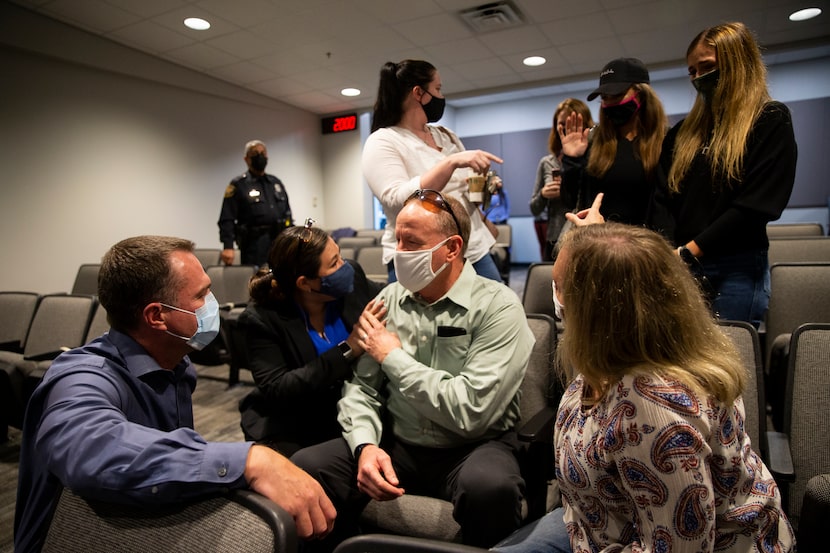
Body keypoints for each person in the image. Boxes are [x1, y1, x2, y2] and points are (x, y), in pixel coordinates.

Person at [14, 236, 335, 553]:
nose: (214, 303)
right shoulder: (83, 373)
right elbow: (90, 448)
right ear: (157, 316)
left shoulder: (177, 365)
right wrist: (249, 459)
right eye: (202, 294)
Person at [496, 223, 795, 553]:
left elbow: (682, 547)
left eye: (560, 286)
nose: (556, 298)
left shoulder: (654, 412)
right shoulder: (618, 352)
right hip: (599, 521)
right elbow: (623, 269)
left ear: (598, 309)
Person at [291, 190, 535, 550]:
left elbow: (472, 411)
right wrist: (365, 446)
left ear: (451, 248)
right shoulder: (389, 299)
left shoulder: (499, 307)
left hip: (473, 445)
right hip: (400, 440)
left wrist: (392, 357)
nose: (397, 252)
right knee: (308, 466)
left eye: (411, 242)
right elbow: (363, 388)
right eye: (397, 238)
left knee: (490, 488)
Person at [653, 22, 797, 329]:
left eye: (706, 67)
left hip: (737, 267)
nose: (698, 78)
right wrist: (670, 251)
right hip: (681, 264)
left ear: (737, 63)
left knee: (730, 361)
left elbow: (756, 206)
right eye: (691, 72)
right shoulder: (681, 133)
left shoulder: (770, 120)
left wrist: (690, 251)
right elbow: (663, 196)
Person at [238, 220, 386, 456]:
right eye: (334, 263)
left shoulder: (352, 278)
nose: (344, 266)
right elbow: (279, 387)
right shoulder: (261, 319)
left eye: (340, 256)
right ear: (304, 283)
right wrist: (349, 348)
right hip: (297, 420)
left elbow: (388, 298)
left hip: (354, 407)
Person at [362, 59, 504, 283]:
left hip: (473, 249)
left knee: (498, 310)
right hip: (421, 257)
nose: (441, 95)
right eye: (437, 89)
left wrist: (484, 187)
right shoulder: (383, 140)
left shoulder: (445, 135)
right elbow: (396, 199)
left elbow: (463, 191)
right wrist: (450, 163)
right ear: (419, 93)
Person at [560, 58, 667, 226]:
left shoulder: (665, 141)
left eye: (616, 95)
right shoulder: (594, 142)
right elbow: (571, 201)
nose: (609, 103)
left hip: (647, 245)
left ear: (642, 94)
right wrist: (572, 161)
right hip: (601, 242)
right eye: (604, 97)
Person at [530, 98, 595, 261]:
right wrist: (544, 195)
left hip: (586, 237)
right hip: (554, 236)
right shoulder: (547, 163)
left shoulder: (597, 160)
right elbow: (534, 209)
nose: (568, 129)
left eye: (574, 123)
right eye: (562, 124)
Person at [218, 140, 293, 267]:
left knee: (281, 279)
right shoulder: (238, 185)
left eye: (263, 153)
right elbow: (227, 218)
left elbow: (287, 213)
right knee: (257, 282)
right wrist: (228, 246)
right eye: (255, 153)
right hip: (254, 245)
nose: (260, 156)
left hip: (278, 242)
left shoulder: (275, 183)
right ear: (246, 159)